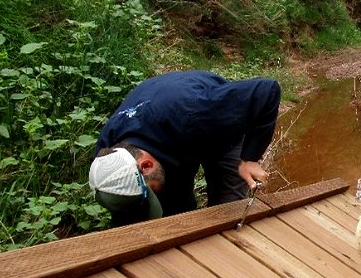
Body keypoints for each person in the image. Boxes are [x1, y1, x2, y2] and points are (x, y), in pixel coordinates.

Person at [88, 70, 280, 225]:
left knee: (228, 207)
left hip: (210, 128)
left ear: (146, 165)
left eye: (149, 192)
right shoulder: (108, 158)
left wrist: (250, 158)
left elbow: (266, 91)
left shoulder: (196, 111)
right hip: (168, 135)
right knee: (172, 207)